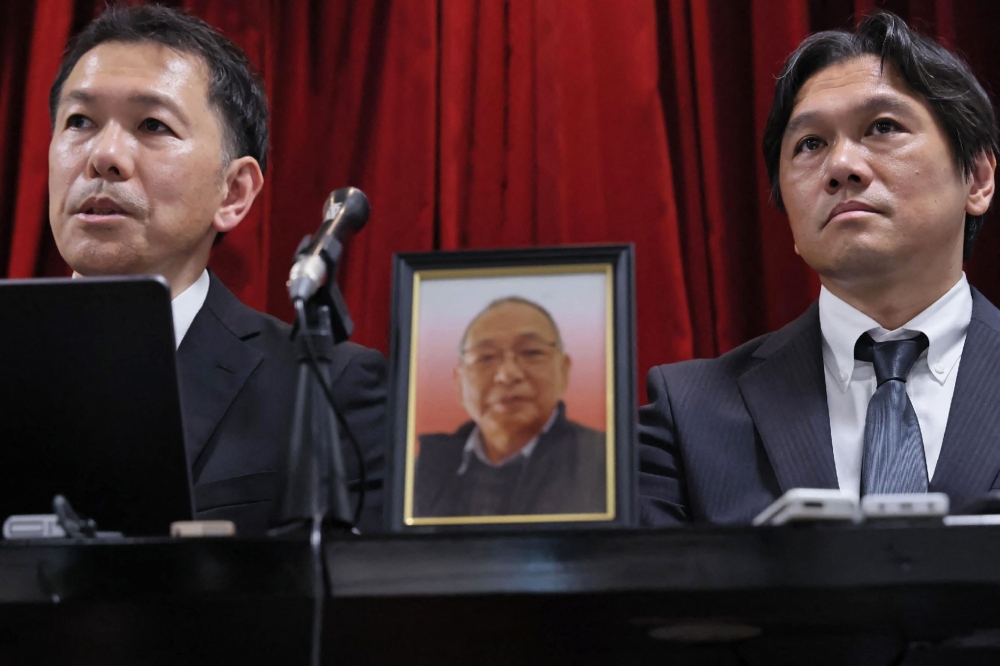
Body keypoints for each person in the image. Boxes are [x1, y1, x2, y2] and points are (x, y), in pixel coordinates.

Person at [638, 12, 1000, 526]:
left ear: (978, 179)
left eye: (883, 127)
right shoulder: (686, 417)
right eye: (811, 143)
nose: (841, 166)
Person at [47, 5, 386, 534]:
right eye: (80, 121)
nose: (104, 155)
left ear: (233, 192)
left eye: (152, 124)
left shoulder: (327, 391)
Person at [414, 297, 607, 518]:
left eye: (531, 352)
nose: (507, 375)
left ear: (563, 370)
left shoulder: (603, 461)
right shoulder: (422, 473)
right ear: (459, 381)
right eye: (485, 357)